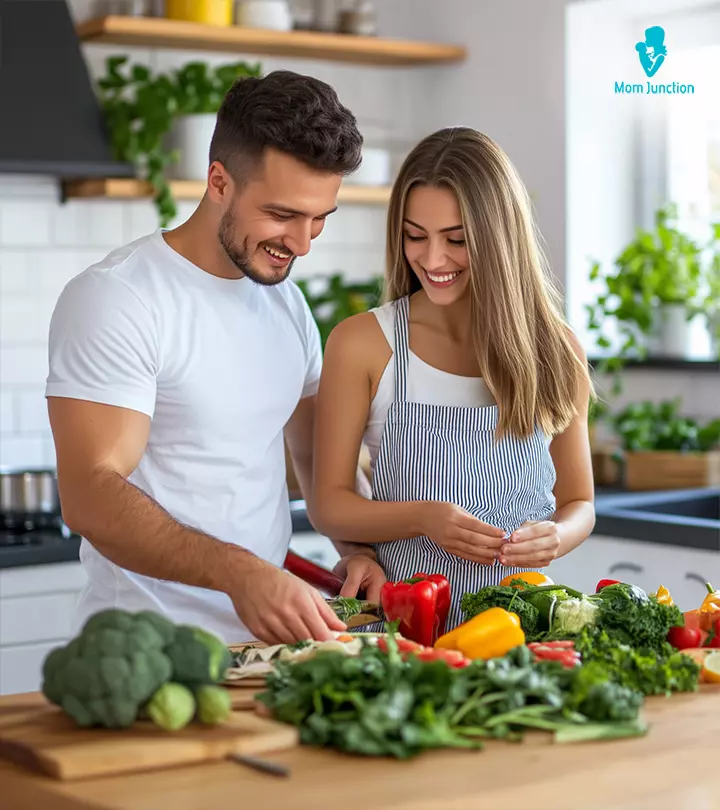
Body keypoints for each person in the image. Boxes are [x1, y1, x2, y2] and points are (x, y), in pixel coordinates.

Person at [45, 70, 386, 646]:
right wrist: (240, 572)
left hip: (269, 650)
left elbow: (318, 467)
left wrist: (355, 550)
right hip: (148, 650)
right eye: (282, 215)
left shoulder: (288, 304)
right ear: (219, 181)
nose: (302, 244)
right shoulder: (119, 297)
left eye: (319, 219)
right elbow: (90, 496)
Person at [311, 127, 596, 630]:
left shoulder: (556, 349)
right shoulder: (362, 344)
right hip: (403, 635)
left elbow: (581, 504)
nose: (433, 259)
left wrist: (557, 535)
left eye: (457, 240)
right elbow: (330, 505)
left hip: (522, 638)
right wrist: (422, 518)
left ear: (498, 238)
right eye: (415, 235)